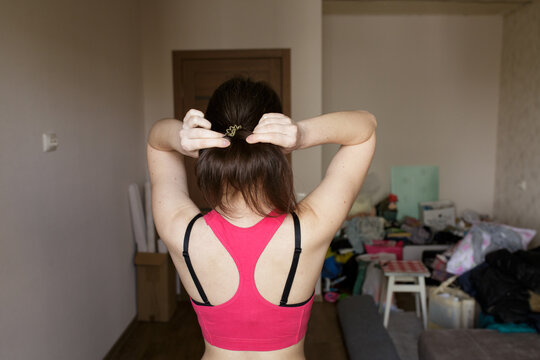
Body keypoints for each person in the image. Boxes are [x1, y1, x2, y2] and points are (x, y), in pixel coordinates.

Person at [147, 77, 376, 359]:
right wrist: (301, 134)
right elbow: (365, 127)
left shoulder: (182, 231)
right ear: (277, 146)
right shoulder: (310, 228)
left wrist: (181, 139)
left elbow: (156, 142)